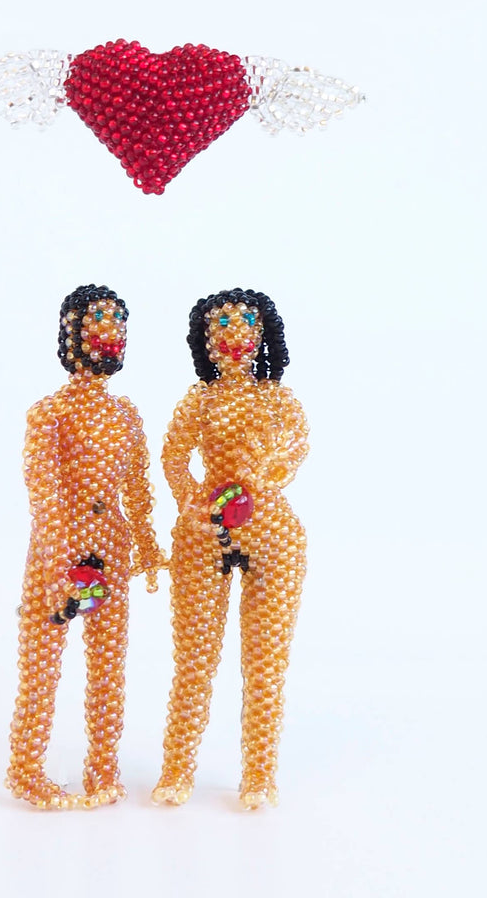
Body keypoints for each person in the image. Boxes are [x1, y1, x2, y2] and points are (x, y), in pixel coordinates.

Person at [6, 284, 165, 809]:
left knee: (108, 664)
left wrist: (147, 546)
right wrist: (57, 561)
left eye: (119, 323)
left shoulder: (125, 414)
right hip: (58, 549)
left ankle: (103, 768)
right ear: (72, 332)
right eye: (99, 321)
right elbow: (44, 492)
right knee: (42, 662)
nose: (111, 333)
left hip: (112, 549)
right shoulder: (49, 412)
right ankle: (27, 771)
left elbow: (137, 488)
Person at [153, 288, 309, 810]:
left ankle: (259, 777)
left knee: (266, 664)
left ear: (263, 333)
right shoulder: (200, 400)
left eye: (245, 322)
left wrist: (261, 476)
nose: (233, 334)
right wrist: (192, 503)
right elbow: (174, 458)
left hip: (272, 535)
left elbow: (295, 450)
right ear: (204, 338)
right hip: (204, 535)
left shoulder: (279, 400)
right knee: (193, 659)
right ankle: (177, 770)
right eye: (220, 324)